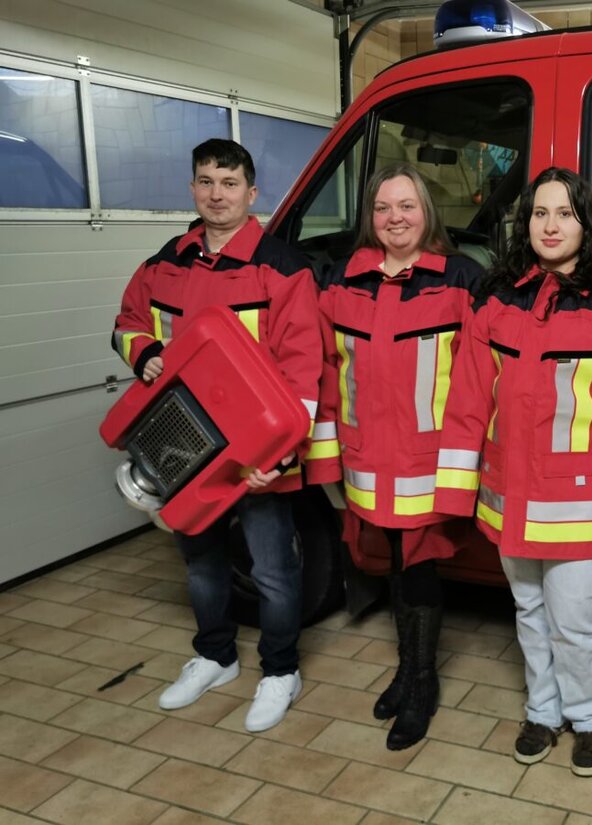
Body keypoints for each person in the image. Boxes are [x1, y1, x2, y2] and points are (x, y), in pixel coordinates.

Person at [434, 167, 592, 777]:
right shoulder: (496, 298)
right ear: (524, 222)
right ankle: (543, 709)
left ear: (588, 223)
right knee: (528, 612)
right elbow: (468, 398)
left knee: (576, 620)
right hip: (508, 492)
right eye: (539, 213)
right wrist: (457, 489)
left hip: (575, 504)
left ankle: (588, 719)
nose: (551, 225)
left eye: (564, 213)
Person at [111, 138, 322, 732]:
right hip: (181, 443)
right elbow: (127, 321)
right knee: (201, 565)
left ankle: (281, 670)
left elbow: (306, 370)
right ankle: (215, 656)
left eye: (229, 184)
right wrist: (146, 352)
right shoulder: (165, 262)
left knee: (274, 570)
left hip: (255, 454)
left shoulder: (282, 268)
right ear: (193, 189)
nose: (216, 194)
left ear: (252, 194)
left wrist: (280, 458)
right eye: (205, 182)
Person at [307, 163, 483, 750]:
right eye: (383, 208)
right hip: (365, 457)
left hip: (428, 460)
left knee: (420, 567)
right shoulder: (342, 281)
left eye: (406, 206)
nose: (395, 218)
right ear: (370, 217)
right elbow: (328, 372)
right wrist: (329, 458)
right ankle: (407, 671)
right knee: (388, 565)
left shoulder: (461, 280)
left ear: (426, 212)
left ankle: (422, 681)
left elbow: (478, 382)